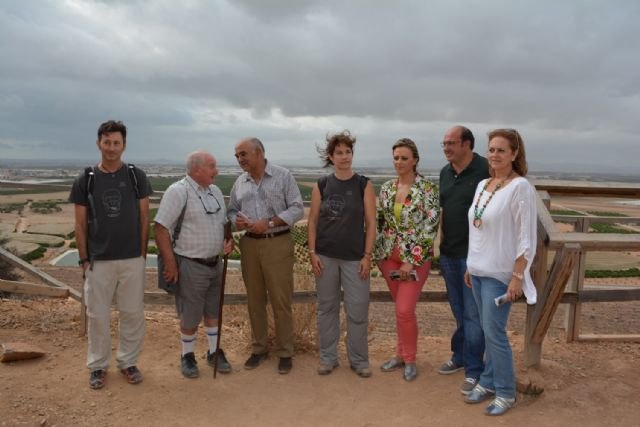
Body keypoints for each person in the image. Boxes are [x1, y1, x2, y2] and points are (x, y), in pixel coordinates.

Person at [69, 120, 152, 390]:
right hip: (98, 260)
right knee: (97, 316)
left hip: (131, 258)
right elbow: (79, 224)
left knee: (132, 313)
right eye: (107, 142)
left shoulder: (136, 176)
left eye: (117, 143)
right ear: (98, 144)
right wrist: (84, 260)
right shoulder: (86, 179)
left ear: (124, 145)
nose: (112, 147)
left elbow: (144, 218)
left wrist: (141, 255)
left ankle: (129, 362)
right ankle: (98, 366)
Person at [463, 129, 537, 416]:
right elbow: (477, 229)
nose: (494, 155)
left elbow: (525, 237)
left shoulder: (520, 188)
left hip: (500, 274)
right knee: (487, 330)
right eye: (491, 149)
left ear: (514, 154)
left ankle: (506, 392)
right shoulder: (484, 184)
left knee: (495, 334)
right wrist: (470, 265)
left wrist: (517, 277)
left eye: (501, 150)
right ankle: (488, 381)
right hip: (478, 270)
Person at [154, 151, 235, 379]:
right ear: (197, 169)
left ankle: (213, 352)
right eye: (212, 166)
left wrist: (228, 240)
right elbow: (160, 228)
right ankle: (187, 355)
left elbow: (224, 223)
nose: (216, 171)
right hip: (190, 264)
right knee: (190, 314)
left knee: (213, 311)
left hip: (215, 263)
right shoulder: (178, 191)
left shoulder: (215, 191)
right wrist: (170, 263)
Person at [228, 137, 304, 374]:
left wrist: (269, 222)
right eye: (237, 155)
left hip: (277, 243)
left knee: (281, 300)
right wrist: (236, 221)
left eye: (243, 154)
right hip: (249, 245)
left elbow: (297, 208)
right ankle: (259, 349)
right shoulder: (240, 182)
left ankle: (285, 352)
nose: (239, 159)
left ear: (259, 153)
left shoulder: (283, 176)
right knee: (255, 300)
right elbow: (231, 211)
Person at [307, 131, 376, 378]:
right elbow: (312, 221)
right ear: (331, 156)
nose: (344, 156)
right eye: (339, 152)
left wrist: (367, 256)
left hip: (355, 258)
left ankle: (359, 360)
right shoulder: (322, 185)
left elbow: (371, 223)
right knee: (327, 309)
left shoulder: (363, 184)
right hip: (325, 256)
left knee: (357, 310)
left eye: (348, 152)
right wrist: (312, 252)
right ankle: (328, 358)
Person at [374, 138, 440, 382]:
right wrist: (378, 255)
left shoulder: (428, 189)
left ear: (415, 160)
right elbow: (381, 223)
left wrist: (411, 261)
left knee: (405, 309)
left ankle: (410, 359)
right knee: (400, 309)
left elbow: (430, 227)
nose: (399, 162)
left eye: (404, 158)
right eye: (396, 158)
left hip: (415, 261)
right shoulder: (386, 188)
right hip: (388, 259)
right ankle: (400, 355)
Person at [438, 125, 490, 394]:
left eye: (451, 143)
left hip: (475, 258)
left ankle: (474, 370)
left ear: (467, 144)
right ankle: (460, 355)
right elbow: (444, 211)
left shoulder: (486, 170)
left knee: (473, 315)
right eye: (444, 144)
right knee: (459, 311)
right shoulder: (445, 173)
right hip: (449, 254)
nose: (446, 148)